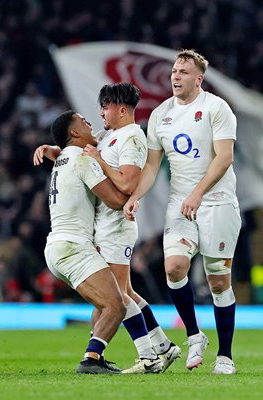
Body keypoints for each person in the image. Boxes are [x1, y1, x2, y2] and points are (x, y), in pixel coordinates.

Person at [34, 83, 181, 374]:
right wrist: (53, 148)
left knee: (116, 299)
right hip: (93, 233)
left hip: (115, 227)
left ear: (121, 109)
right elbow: (77, 148)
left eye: (105, 107)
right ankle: (162, 347)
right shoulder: (107, 136)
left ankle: (144, 356)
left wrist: (98, 161)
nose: (98, 113)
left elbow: (126, 185)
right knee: (121, 294)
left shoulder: (132, 138)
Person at [123, 50, 242, 375]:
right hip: (181, 205)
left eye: (184, 72)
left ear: (198, 79)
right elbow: (151, 166)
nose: (176, 76)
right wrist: (136, 196)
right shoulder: (161, 115)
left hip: (216, 202)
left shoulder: (216, 108)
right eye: (175, 71)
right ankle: (194, 335)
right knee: (174, 268)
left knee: (218, 282)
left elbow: (224, 157)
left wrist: (198, 193)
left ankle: (225, 356)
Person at [43, 110, 127, 374]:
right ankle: (90, 359)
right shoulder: (82, 160)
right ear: (75, 133)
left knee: (103, 305)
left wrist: (50, 148)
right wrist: (114, 171)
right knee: (117, 306)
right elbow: (115, 201)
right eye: (83, 121)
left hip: (59, 246)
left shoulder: (64, 158)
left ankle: (95, 357)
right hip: (73, 247)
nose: (89, 123)